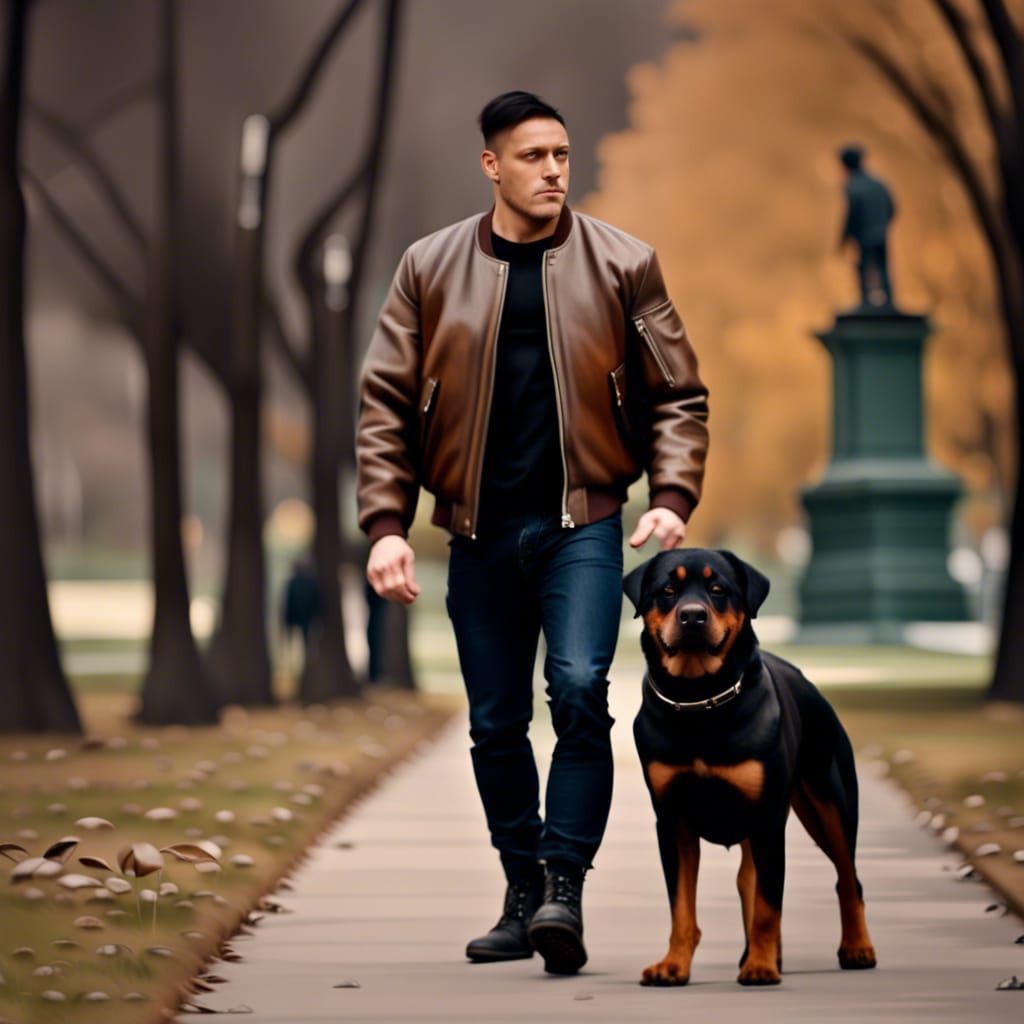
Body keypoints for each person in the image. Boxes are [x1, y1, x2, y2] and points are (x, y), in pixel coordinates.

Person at [356, 91, 709, 975]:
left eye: (561, 154)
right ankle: (523, 894)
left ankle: (563, 887)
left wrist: (672, 494)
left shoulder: (624, 263)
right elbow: (387, 402)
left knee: (581, 689)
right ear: (492, 166)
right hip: (478, 532)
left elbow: (677, 394)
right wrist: (387, 524)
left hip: (581, 523)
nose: (553, 171)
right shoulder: (429, 267)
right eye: (533, 156)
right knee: (495, 723)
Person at [838, 143, 897, 309]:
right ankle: (888, 300)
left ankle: (866, 300)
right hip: (880, 232)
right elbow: (892, 209)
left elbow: (852, 215)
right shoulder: (878, 184)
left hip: (865, 235)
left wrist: (845, 237)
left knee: (864, 267)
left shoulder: (853, 186)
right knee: (882, 266)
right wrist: (882, 225)